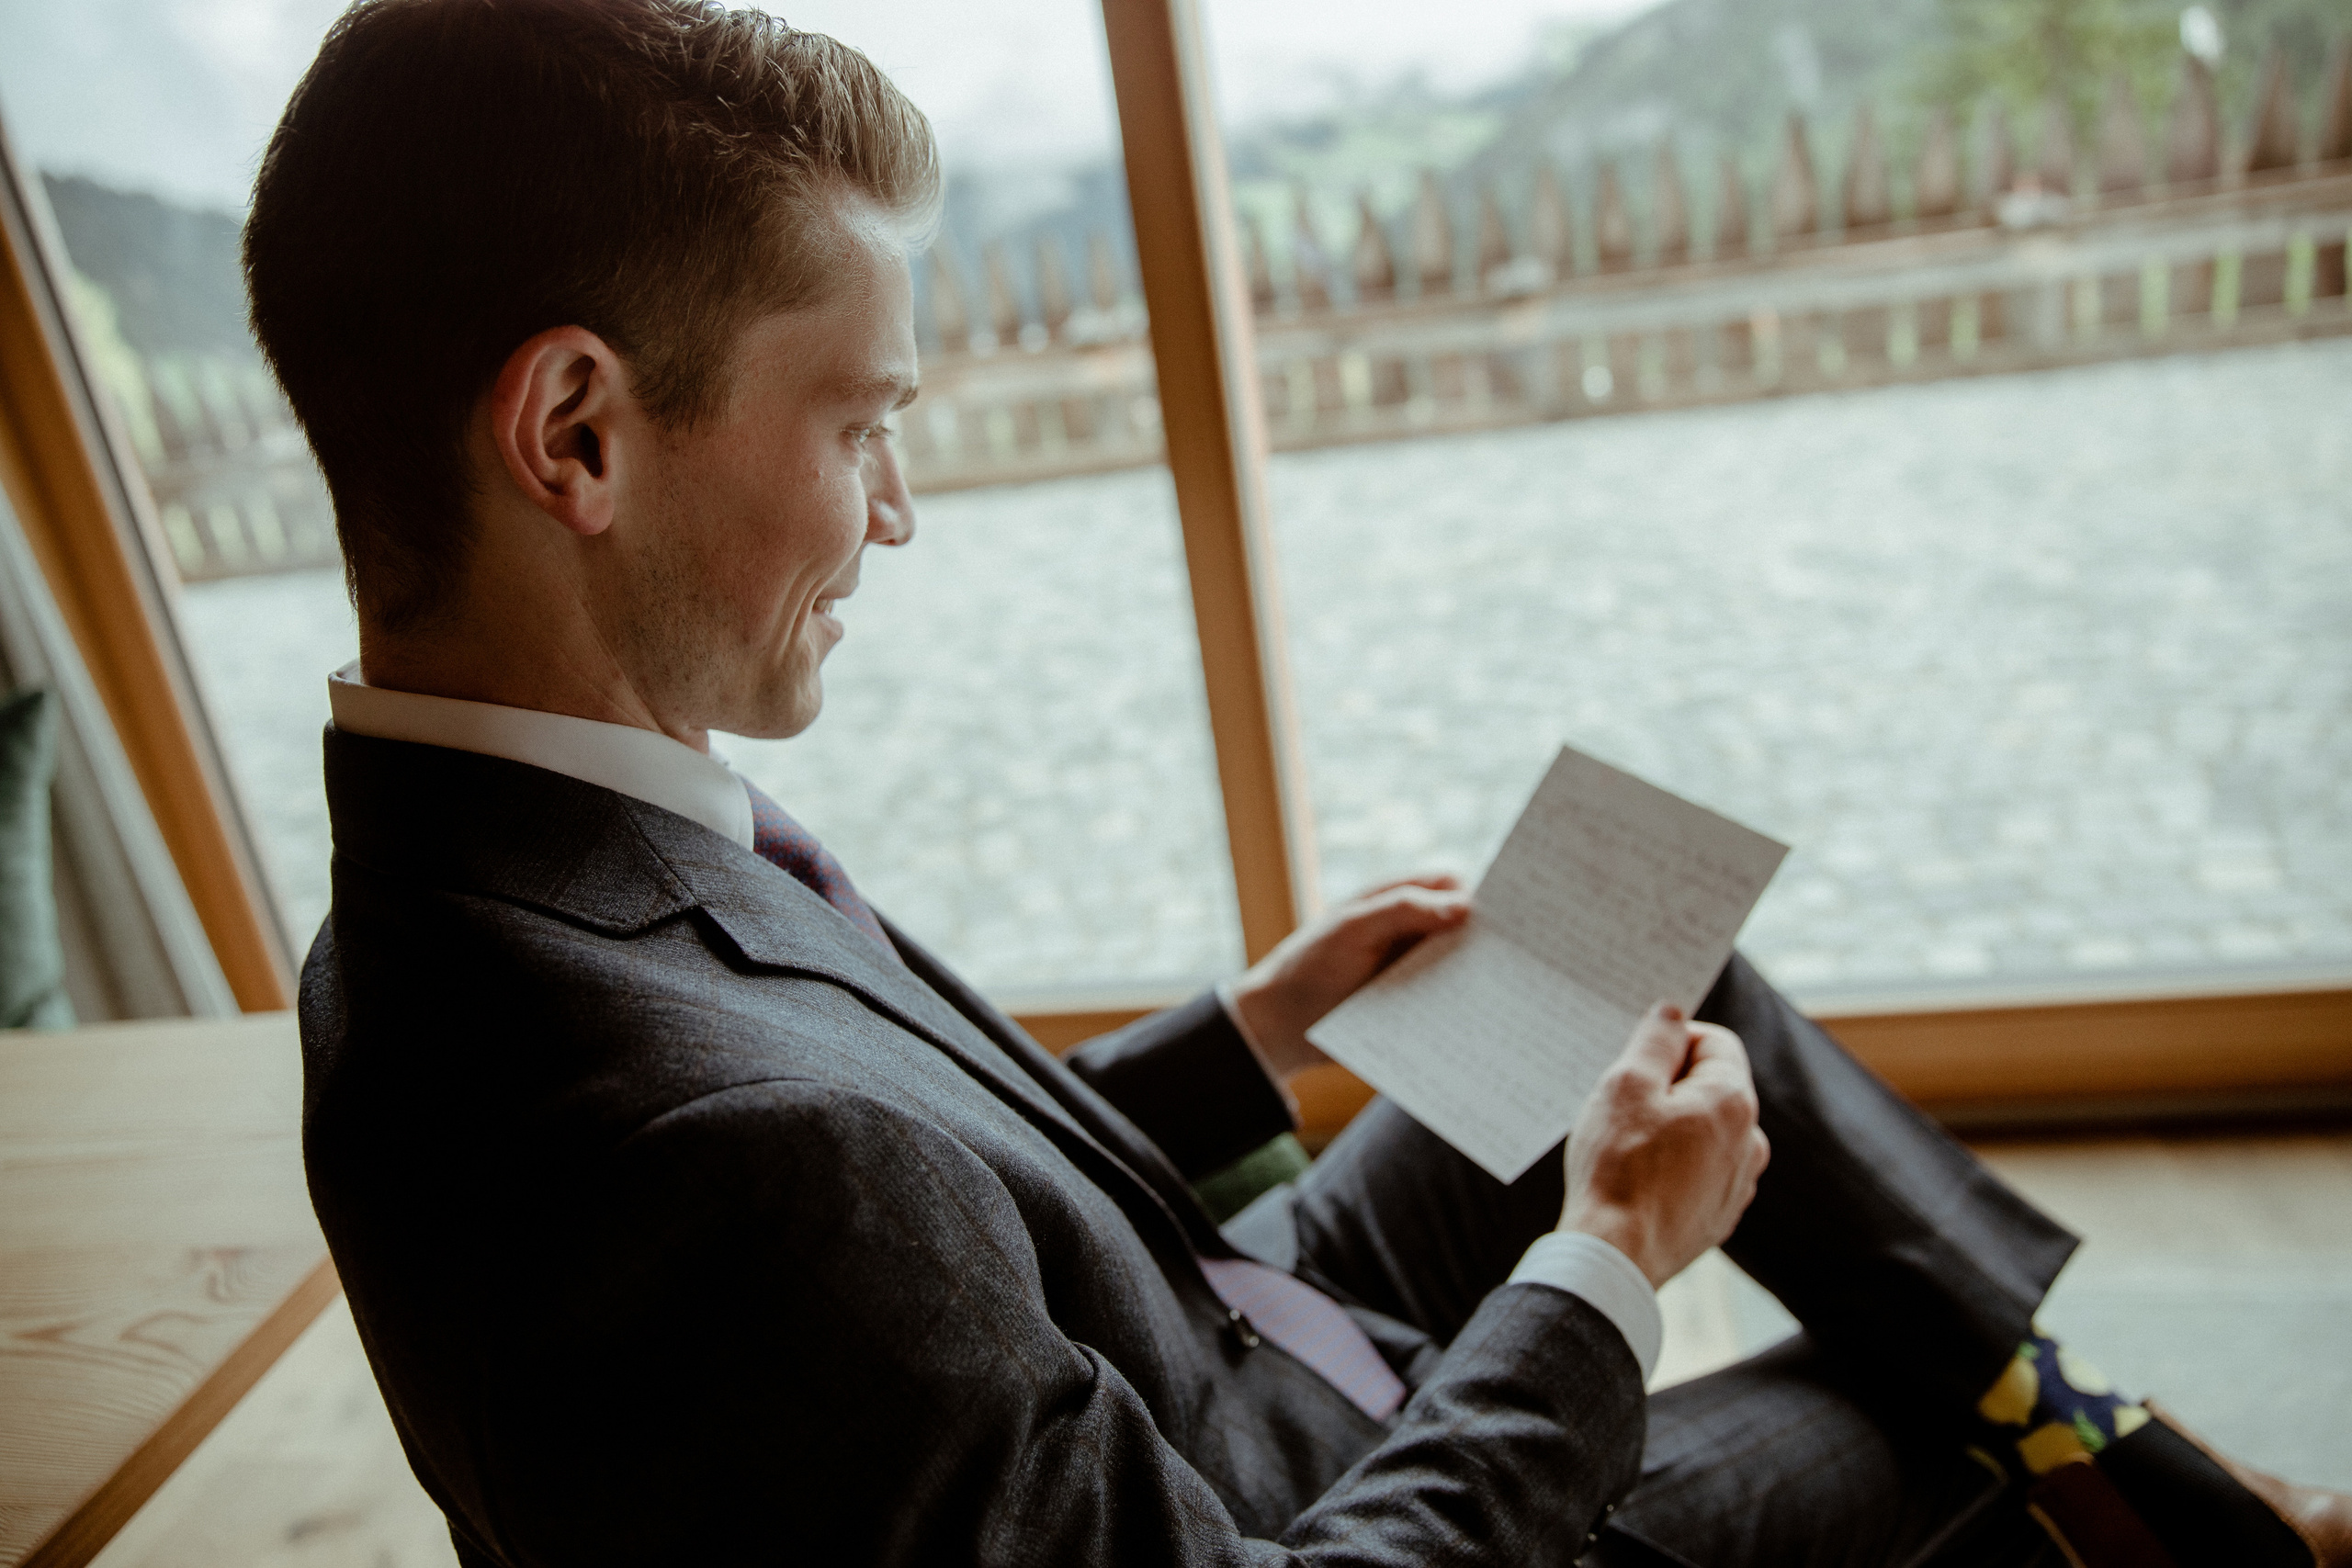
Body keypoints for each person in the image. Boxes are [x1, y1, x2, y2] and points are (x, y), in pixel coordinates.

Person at [249, 3, 2349, 1563]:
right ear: (575, 434)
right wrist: (1605, 1261)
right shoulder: (681, 1147)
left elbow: (903, 1220)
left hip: (1223, 1350)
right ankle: (2153, 1497)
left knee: (1620, 928)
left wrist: (1249, 1035)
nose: (895, 512)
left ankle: (2148, 1486)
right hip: (1319, 1503)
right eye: (863, 419)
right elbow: (818, 1197)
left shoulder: (492, 866)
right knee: (1915, 1415)